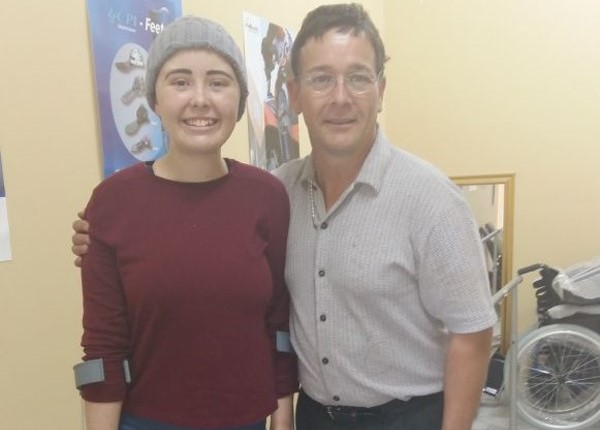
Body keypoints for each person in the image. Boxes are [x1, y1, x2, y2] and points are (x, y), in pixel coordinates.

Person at [73, 4, 496, 430]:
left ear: (381, 90)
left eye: (358, 78)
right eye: (321, 79)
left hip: (406, 416)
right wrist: (103, 238)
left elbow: (473, 332)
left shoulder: (430, 199)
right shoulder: (279, 191)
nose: (341, 97)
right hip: (313, 415)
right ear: (294, 94)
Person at [72, 16, 297, 430]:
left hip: (248, 419)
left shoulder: (267, 197)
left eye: (218, 82)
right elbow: (103, 348)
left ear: (239, 99)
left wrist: (282, 422)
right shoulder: (113, 203)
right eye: (180, 81)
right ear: (155, 100)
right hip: (146, 420)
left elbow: (278, 324)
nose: (200, 99)